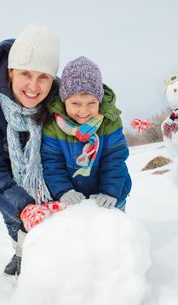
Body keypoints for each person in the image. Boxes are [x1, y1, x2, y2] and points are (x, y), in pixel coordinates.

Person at [0, 24, 63, 276]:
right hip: (4, 159)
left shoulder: (57, 95)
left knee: (53, 212)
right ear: (10, 72)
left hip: (43, 161)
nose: (34, 86)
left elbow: (87, 110)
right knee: (15, 210)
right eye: (26, 74)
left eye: (43, 77)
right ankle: (21, 253)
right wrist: (24, 208)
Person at [41, 56, 132, 210]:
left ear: (100, 101)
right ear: (64, 101)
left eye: (91, 103)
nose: (83, 111)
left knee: (112, 232)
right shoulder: (52, 126)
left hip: (110, 197)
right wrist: (63, 190)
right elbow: (52, 164)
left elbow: (114, 160)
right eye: (75, 103)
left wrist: (110, 192)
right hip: (72, 199)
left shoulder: (110, 121)